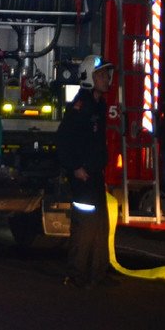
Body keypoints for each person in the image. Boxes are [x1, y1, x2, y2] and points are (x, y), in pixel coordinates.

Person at [57, 54, 115, 288]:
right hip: (83, 178)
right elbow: (64, 139)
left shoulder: (98, 105)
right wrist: (75, 168)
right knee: (84, 228)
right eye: (101, 75)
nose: (106, 79)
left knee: (100, 227)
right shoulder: (81, 106)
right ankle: (76, 276)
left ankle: (98, 275)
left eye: (107, 75)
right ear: (89, 78)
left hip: (95, 176)